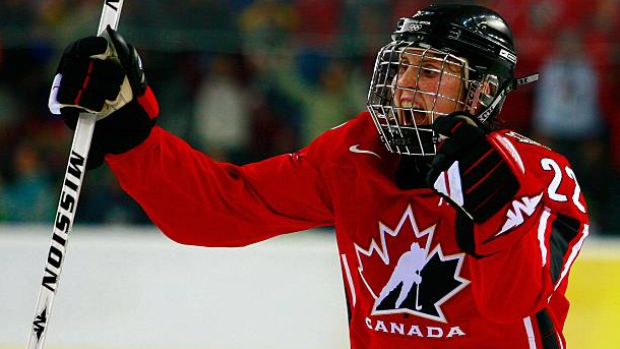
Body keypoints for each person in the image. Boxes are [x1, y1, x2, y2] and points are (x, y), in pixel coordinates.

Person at [48, 4, 589, 349]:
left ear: (479, 92)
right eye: (402, 68)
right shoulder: (356, 153)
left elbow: (513, 302)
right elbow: (219, 210)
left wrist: (493, 205)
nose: (404, 87)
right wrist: (130, 135)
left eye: (428, 71)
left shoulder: (540, 174)